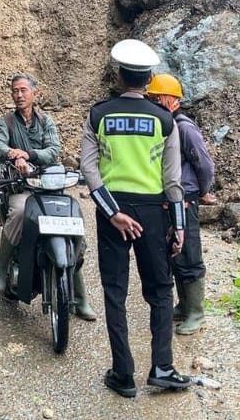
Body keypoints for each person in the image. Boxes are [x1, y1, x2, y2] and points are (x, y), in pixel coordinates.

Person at [81, 39, 192, 397]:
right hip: (152, 213)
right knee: (160, 292)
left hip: (112, 210)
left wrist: (112, 212)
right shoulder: (164, 120)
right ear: (148, 80)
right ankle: (162, 366)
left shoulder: (98, 114)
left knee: (115, 293)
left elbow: (89, 169)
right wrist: (179, 226)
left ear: (118, 74)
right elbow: (172, 180)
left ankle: (123, 374)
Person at [0, 74, 97, 321]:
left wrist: (29, 154)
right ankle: (1, 268)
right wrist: (14, 154)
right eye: (15, 91)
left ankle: (80, 297)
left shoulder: (47, 122)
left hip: (48, 186)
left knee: (72, 223)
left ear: (35, 93)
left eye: (23, 90)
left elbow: (53, 150)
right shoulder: (7, 122)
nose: (19, 95)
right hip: (21, 187)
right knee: (20, 212)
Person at [146, 73, 216, 335]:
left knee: (189, 254)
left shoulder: (184, 127)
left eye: (155, 98)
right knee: (174, 251)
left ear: (170, 99)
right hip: (169, 199)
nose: (152, 103)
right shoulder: (164, 125)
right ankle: (184, 305)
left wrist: (202, 191)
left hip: (185, 199)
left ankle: (196, 312)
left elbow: (204, 164)